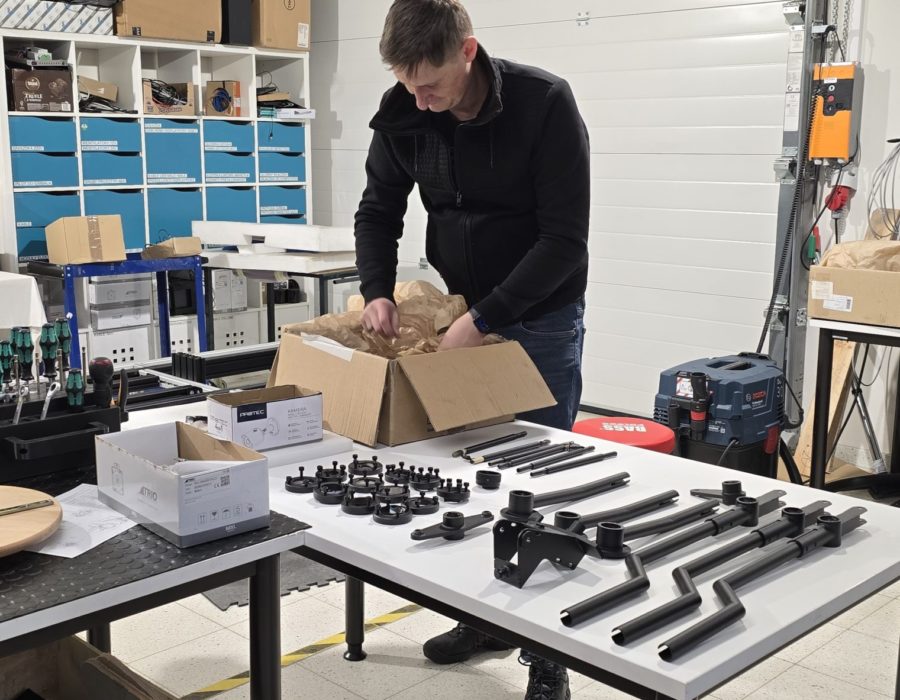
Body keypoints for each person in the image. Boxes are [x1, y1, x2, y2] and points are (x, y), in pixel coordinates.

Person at [354, 1, 589, 698]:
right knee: (472, 478)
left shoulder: (544, 104)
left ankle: (548, 657)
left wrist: (487, 319)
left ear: (467, 51)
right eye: (406, 85)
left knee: (535, 486)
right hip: (461, 315)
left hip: (538, 319)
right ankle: (485, 619)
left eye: (430, 85)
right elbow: (378, 210)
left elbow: (564, 240)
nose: (419, 100)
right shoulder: (406, 110)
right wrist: (376, 290)